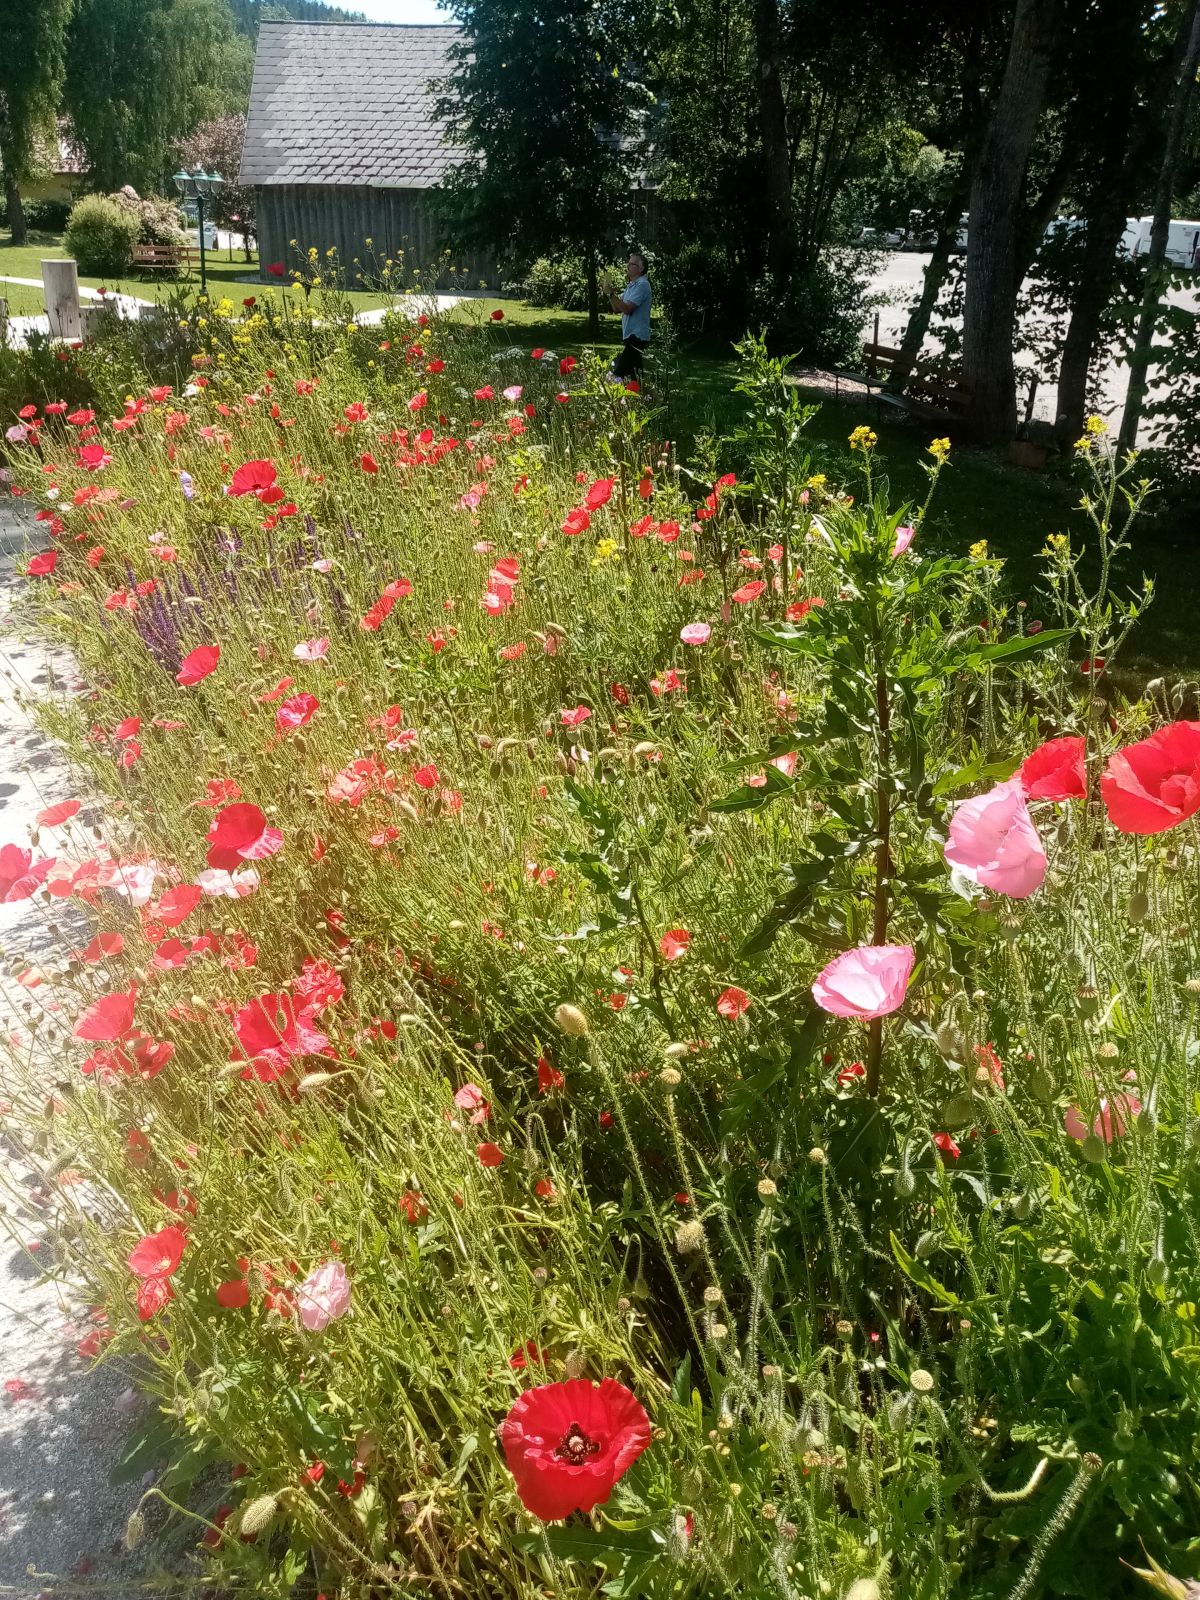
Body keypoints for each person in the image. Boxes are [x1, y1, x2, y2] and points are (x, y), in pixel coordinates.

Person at [609, 253, 651, 380]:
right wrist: (610, 295)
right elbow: (616, 308)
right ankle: (650, 398)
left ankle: (648, 397)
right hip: (631, 337)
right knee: (635, 377)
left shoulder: (642, 284)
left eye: (632, 264)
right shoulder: (631, 286)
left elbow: (627, 309)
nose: (628, 266)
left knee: (618, 374)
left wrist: (611, 295)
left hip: (637, 337)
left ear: (641, 268)